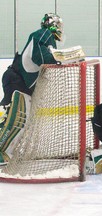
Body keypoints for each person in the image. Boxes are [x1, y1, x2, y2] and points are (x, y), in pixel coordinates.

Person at [0, 13, 63, 164]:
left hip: (16, 80)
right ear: (52, 24)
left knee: (13, 117)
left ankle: (6, 150)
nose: (60, 28)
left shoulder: (47, 38)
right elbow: (40, 52)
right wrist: (57, 58)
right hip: (16, 80)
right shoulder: (44, 34)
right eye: (58, 25)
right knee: (15, 118)